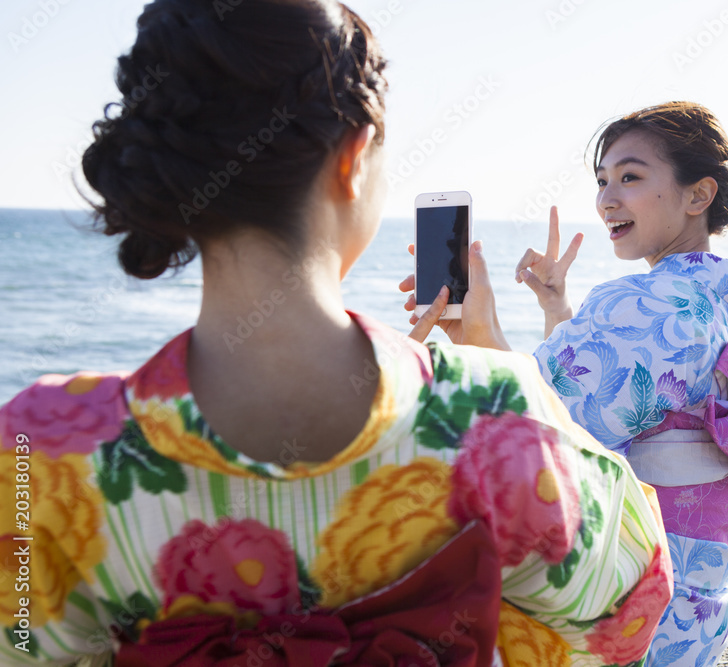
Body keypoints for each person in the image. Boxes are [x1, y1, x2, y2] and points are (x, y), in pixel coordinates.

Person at [0, 2, 673, 665]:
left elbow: (22, 645)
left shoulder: (40, 447)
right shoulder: (497, 414)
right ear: (353, 156)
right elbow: (624, 613)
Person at [405, 102, 728, 666]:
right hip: (697, 610)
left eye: (631, 177)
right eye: (601, 181)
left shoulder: (648, 304)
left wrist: (478, 328)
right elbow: (598, 404)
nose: (606, 199)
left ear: (698, 196)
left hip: (633, 604)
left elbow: (533, 420)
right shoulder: (716, 306)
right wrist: (557, 310)